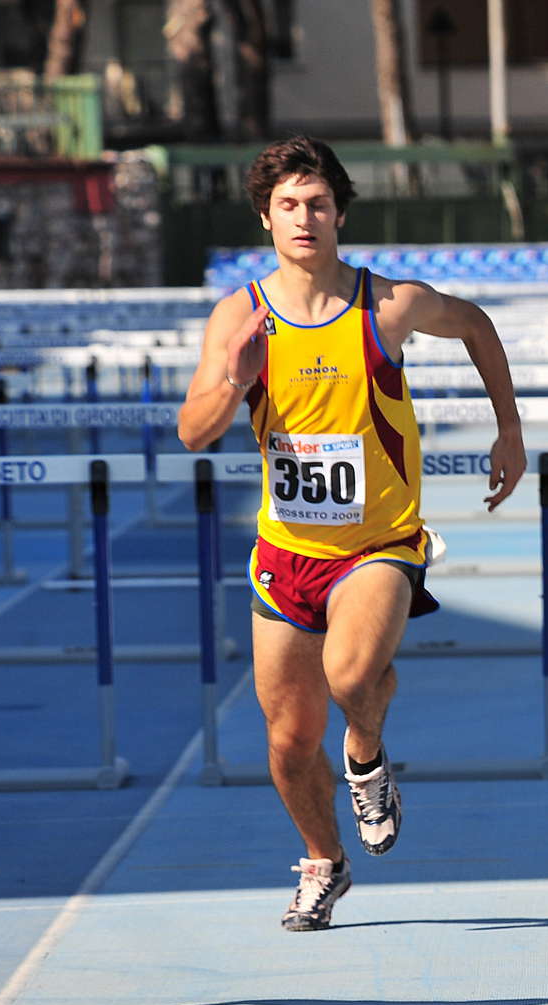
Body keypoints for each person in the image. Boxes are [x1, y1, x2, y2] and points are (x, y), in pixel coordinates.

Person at [176, 136, 526, 931]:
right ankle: (324, 862)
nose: (304, 218)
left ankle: (365, 753)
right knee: (288, 741)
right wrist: (236, 377)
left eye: (318, 204)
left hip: (379, 544)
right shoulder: (238, 316)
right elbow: (193, 432)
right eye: (288, 205)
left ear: (340, 214)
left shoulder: (387, 305)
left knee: (351, 672)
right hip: (286, 555)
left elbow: (476, 325)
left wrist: (508, 429)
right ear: (265, 218)